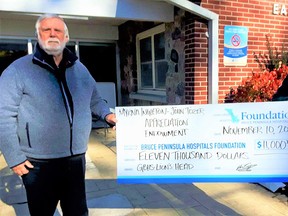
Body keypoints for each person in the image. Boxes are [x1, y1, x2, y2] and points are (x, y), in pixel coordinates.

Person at [0, 14, 116, 216]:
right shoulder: (17, 70)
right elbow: (3, 115)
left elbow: (94, 99)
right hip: (37, 163)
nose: (52, 33)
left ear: (66, 37)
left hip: (75, 159)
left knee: (78, 211)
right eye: (46, 30)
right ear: (38, 35)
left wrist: (107, 115)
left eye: (58, 30)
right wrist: (14, 158)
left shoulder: (79, 68)